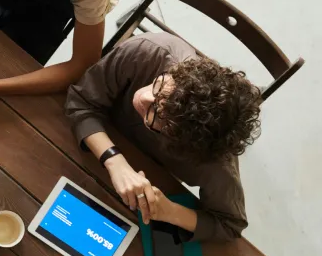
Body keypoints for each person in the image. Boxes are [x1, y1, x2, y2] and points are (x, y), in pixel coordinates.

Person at [65, 33, 262, 241]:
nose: (144, 97)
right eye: (160, 87)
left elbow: (230, 225)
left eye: (157, 115)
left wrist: (169, 211)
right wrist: (115, 162)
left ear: (181, 141)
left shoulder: (215, 162)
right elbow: (81, 100)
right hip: (86, 147)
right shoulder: (148, 52)